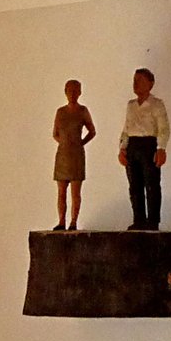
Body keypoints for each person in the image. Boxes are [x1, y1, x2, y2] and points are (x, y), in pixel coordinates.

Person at [118, 68, 169, 232]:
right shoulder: (131, 105)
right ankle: (138, 219)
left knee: (152, 184)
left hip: (149, 145)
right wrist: (122, 148)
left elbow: (163, 128)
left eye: (140, 80)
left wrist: (161, 148)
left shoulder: (156, 105)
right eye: (134, 80)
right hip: (133, 145)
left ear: (150, 84)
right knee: (135, 185)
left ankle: (153, 220)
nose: (135, 83)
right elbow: (126, 128)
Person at [51, 79, 96, 232]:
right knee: (61, 191)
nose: (72, 94)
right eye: (70, 90)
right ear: (65, 92)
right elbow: (55, 133)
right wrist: (64, 143)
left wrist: (80, 143)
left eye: (75, 91)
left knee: (75, 192)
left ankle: (73, 222)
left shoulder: (82, 111)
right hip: (63, 155)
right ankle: (61, 221)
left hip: (76, 155)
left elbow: (92, 131)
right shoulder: (60, 112)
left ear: (80, 92)